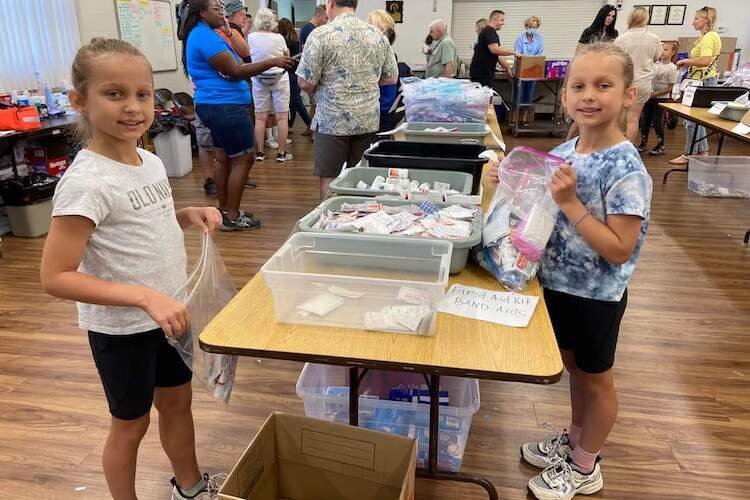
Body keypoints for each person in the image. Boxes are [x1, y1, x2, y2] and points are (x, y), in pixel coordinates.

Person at [40, 37, 225, 500]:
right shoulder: (85, 183)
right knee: (131, 424)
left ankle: (192, 486)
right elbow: (56, 275)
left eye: (142, 94)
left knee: (179, 405)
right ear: (80, 101)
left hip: (171, 313)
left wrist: (184, 216)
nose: (133, 107)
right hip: (123, 329)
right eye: (114, 93)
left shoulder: (150, 161)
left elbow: (142, 222)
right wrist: (144, 297)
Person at [489, 41, 652, 500]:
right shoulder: (567, 149)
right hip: (557, 285)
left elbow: (620, 249)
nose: (589, 95)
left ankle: (586, 465)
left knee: (597, 379)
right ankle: (576, 438)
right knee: (575, 369)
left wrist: (571, 203)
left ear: (628, 95)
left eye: (604, 85)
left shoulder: (625, 167)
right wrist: (507, 178)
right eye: (578, 85)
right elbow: (540, 204)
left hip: (596, 294)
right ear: (564, 96)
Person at [182, 0, 294, 230]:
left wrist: (228, 30)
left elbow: (240, 56)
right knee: (244, 158)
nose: (222, 14)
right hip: (225, 107)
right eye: (216, 9)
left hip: (215, 105)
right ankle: (232, 216)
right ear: (201, 13)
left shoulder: (206, 33)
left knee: (223, 158)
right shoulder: (204, 36)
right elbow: (234, 70)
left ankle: (224, 211)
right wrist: (272, 61)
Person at [297, 0, 397, 200]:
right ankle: (358, 224)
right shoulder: (377, 35)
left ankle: (330, 224)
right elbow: (391, 77)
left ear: (330, 3)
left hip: (332, 120)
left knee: (330, 177)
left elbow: (304, 82)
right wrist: (364, 83)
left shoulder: (320, 35)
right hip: (367, 119)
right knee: (362, 177)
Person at [670, 6, 721, 165]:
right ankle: (701, 152)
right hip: (702, 80)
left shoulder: (708, 37)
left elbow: (705, 60)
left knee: (691, 120)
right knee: (697, 120)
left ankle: (689, 153)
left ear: (707, 19)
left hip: (702, 81)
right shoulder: (709, 36)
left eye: (696, 18)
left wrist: (685, 61)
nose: (693, 22)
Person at [565, 5, 619, 141]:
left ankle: (593, 140)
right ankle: (568, 140)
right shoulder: (590, 32)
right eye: (608, 15)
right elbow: (579, 53)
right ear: (602, 15)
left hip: (605, 73)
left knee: (599, 111)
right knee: (583, 111)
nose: (610, 19)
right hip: (588, 71)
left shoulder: (614, 34)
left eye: (613, 16)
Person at [247, 9, 293, 163]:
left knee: (260, 118)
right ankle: (281, 153)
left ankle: (259, 153)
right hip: (279, 79)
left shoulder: (251, 37)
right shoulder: (279, 38)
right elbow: (287, 57)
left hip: (259, 80)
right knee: (282, 118)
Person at [614, 7, 662, 144]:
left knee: (619, 118)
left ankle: (616, 146)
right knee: (633, 119)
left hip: (625, 82)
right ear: (646, 19)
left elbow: (615, 61)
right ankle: (629, 150)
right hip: (643, 83)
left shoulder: (620, 40)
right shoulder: (654, 39)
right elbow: (657, 57)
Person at [639, 41, 679, 155]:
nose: (662, 52)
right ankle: (643, 143)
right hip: (649, 96)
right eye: (661, 49)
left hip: (661, 98)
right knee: (645, 120)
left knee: (657, 121)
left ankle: (661, 145)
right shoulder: (654, 65)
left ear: (673, 52)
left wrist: (656, 94)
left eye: (666, 49)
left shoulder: (672, 68)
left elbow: (670, 87)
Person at [278, 18, 312, 137]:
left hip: (289, 73)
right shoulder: (295, 40)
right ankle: (290, 125)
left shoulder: (284, 41)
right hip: (296, 72)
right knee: (293, 101)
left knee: (296, 100)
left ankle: (309, 123)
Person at [367, 10, 400, 132]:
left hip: (382, 107)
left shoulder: (384, 50)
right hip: (381, 106)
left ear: (382, 28)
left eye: (370, 24)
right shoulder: (384, 49)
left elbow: (391, 79)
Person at [470, 10, 520, 87]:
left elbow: (498, 55)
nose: (503, 23)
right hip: (481, 75)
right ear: (495, 19)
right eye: (502, 20)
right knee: (484, 97)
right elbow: (495, 49)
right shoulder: (489, 31)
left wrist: (507, 68)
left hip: (486, 74)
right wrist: (514, 52)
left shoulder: (491, 33)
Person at [513, 16, 544, 126]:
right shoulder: (520, 39)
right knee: (518, 95)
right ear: (526, 26)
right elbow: (517, 54)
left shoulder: (540, 39)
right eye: (530, 26)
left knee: (529, 96)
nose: (532, 29)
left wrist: (532, 61)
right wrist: (526, 60)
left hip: (533, 71)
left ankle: (524, 120)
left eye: (535, 27)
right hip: (521, 70)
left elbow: (540, 54)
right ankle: (515, 119)